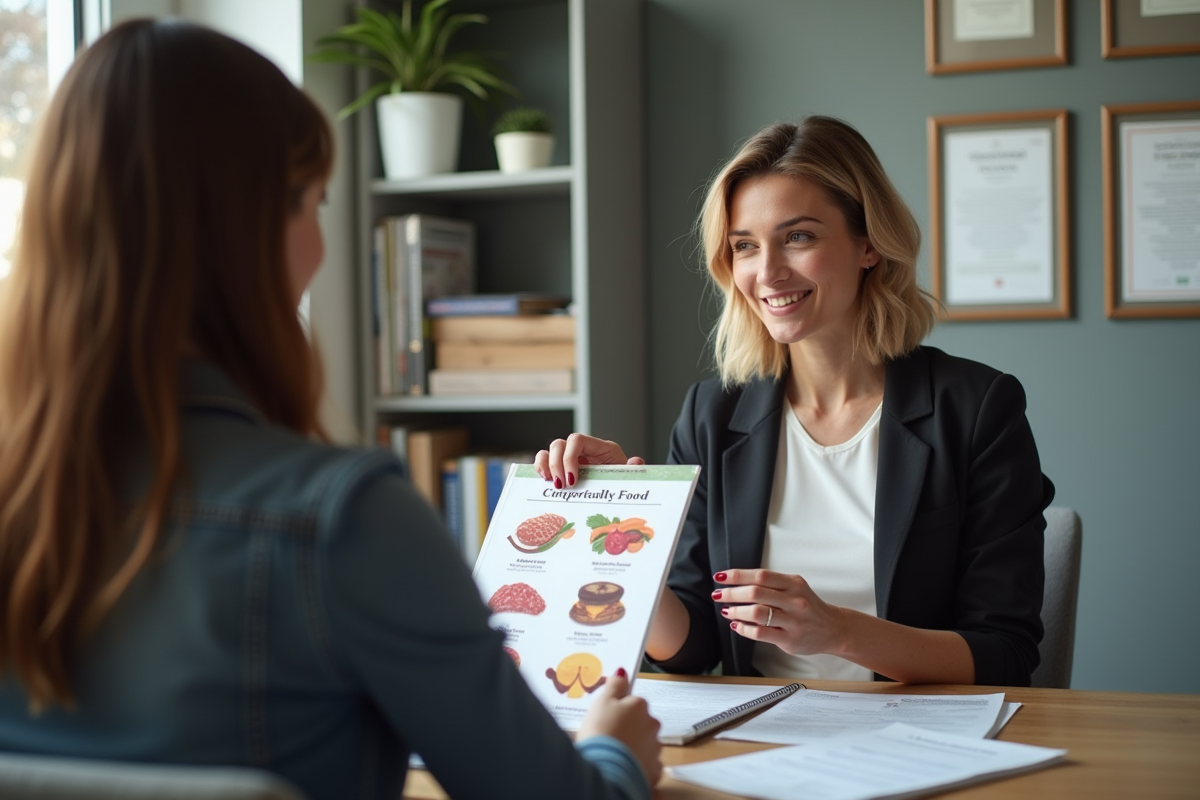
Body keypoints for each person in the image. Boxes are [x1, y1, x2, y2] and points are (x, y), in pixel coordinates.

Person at [0, 18, 660, 800]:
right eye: (312, 205)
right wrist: (613, 754)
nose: (320, 247)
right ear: (244, 233)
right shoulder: (344, 522)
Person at [537, 116, 1054, 687]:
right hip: (757, 736)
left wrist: (838, 633)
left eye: (799, 237)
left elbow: (1004, 653)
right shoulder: (712, 416)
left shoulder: (977, 409)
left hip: (918, 738)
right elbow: (691, 650)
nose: (767, 272)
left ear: (869, 244)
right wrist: (624, 539)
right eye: (745, 247)